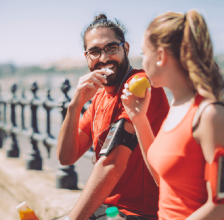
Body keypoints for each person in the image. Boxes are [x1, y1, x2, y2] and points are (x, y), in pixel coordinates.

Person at [121, 10, 224, 220]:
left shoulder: (211, 115)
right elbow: (162, 179)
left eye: (144, 53)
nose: (142, 62)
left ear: (160, 56)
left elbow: (222, 204)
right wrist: (139, 119)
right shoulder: (176, 106)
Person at [56, 14, 170, 220]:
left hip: (142, 213)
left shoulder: (139, 86)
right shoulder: (99, 95)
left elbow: (113, 163)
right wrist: (74, 106)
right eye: (95, 52)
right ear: (86, 57)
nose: (104, 58)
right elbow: (66, 157)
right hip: (109, 211)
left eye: (111, 49)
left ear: (125, 49)